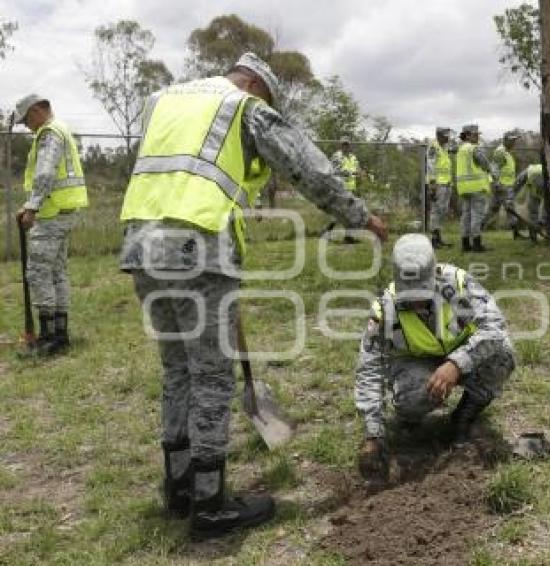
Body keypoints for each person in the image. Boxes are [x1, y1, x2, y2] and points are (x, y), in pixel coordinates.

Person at [118, 52, 388, 539]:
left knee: (177, 368)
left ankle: (177, 487)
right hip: (198, 248)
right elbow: (309, 168)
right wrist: (359, 216)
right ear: (258, 86)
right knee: (211, 376)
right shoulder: (243, 106)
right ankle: (210, 504)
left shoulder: (165, 100)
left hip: (141, 248)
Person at [355, 234, 516, 484]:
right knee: (410, 400)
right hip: (418, 365)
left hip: (462, 355)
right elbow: (369, 370)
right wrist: (373, 436)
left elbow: (495, 328)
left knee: (502, 357)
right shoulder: (385, 309)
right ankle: (411, 423)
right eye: (409, 296)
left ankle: (463, 418)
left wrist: (456, 364)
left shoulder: (457, 285)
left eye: (422, 292)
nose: (417, 302)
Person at [14, 94, 88, 357]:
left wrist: (32, 206)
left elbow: (45, 172)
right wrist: (30, 203)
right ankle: (60, 334)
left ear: (36, 111)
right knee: (57, 272)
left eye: (26, 120)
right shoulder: (62, 130)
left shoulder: (48, 133)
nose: (26, 126)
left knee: (38, 272)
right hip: (63, 210)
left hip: (51, 213)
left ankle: (47, 337)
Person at [455, 124, 492, 252]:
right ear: (468, 135)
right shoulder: (473, 148)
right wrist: (490, 170)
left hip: (463, 188)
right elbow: (484, 163)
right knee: (477, 215)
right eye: (476, 135)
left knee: (466, 215)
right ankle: (477, 244)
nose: (477, 137)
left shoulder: (460, 149)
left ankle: (465, 244)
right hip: (476, 187)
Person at [487, 131, 522, 239]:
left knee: (493, 209)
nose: (514, 143)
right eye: (512, 140)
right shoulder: (500, 152)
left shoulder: (507, 152)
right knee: (510, 209)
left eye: (515, 140)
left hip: (504, 185)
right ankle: (516, 233)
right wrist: (496, 183)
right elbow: (494, 168)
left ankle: (477, 229)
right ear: (506, 140)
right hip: (503, 185)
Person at [330, 137, 362, 244]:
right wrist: (348, 172)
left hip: (351, 188)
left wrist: (359, 172)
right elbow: (334, 170)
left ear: (349, 145)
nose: (345, 146)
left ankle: (344, 236)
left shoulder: (353, 157)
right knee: (344, 212)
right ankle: (346, 236)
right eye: (343, 144)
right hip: (340, 188)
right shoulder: (337, 156)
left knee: (348, 212)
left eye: (347, 144)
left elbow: (357, 168)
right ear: (340, 145)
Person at [427, 127, 453, 249]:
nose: (448, 137)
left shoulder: (445, 147)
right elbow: (431, 165)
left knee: (442, 210)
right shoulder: (434, 146)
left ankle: (439, 237)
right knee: (436, 211)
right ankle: (434, 239)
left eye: (448, 135)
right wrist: (432, 184)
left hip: (446, 183)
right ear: (438, 135)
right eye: (445, 135)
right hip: (437, 184)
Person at [513, 162, 547, 242]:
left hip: (544, 190)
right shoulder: (528, 172)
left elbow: (517, 184)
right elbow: (517, 184)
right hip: (536, 191)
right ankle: (534, 234)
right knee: (534, 212)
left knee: (539, 212)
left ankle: (537, 230)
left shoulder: (548, 173)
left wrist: (542, 220)